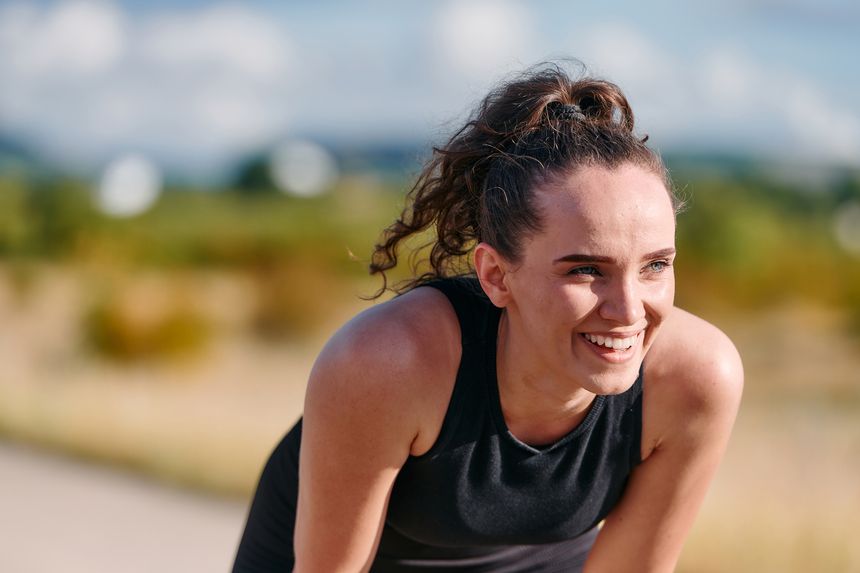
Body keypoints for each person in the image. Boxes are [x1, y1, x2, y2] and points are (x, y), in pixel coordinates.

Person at [232, 62, 743, 572]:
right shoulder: (386, 363)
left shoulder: (696, 379)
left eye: (655, 265)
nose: (629, 311)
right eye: (586, 269)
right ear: (496, 276)